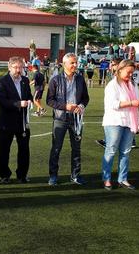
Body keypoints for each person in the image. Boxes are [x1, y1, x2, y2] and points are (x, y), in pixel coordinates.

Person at [46, 53, 90, 186]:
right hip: (60, 119)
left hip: (76, 119)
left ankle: (75, 175)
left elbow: (85, 98)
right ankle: (53, 176)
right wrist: (65, 107)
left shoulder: (80, 79)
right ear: (64, 64)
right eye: (72, 63)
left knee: (76, 148)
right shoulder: (55, 80)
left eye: (76, 62)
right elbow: (49, 100)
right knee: (56, 148)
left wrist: (81, 105)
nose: (75, 65)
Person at [102, 60, 139, 191]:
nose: (130, 75)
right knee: (111, 150)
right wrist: (132, 103)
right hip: (114, 122)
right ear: (120, 70)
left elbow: (137, 99)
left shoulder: (133, 85)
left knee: (126, 151)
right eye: (128, 72)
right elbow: (113, 104)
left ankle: (123, 179)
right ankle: (107, 179)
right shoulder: (112, 85)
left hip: (129, 122)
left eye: (132, 72)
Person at [0, 57, 33, 183]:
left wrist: (29, 101)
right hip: (6, 122)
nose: (18, 70)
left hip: (22, 122)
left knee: (24, 149)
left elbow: (29, 97)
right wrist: (18, 104)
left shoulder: (25, 80)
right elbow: (2, 101)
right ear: (9, 67)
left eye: (20, 67)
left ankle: (22, 175)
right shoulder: (2, 81)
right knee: (4, 150)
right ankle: (4, 175)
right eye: (15, 67)